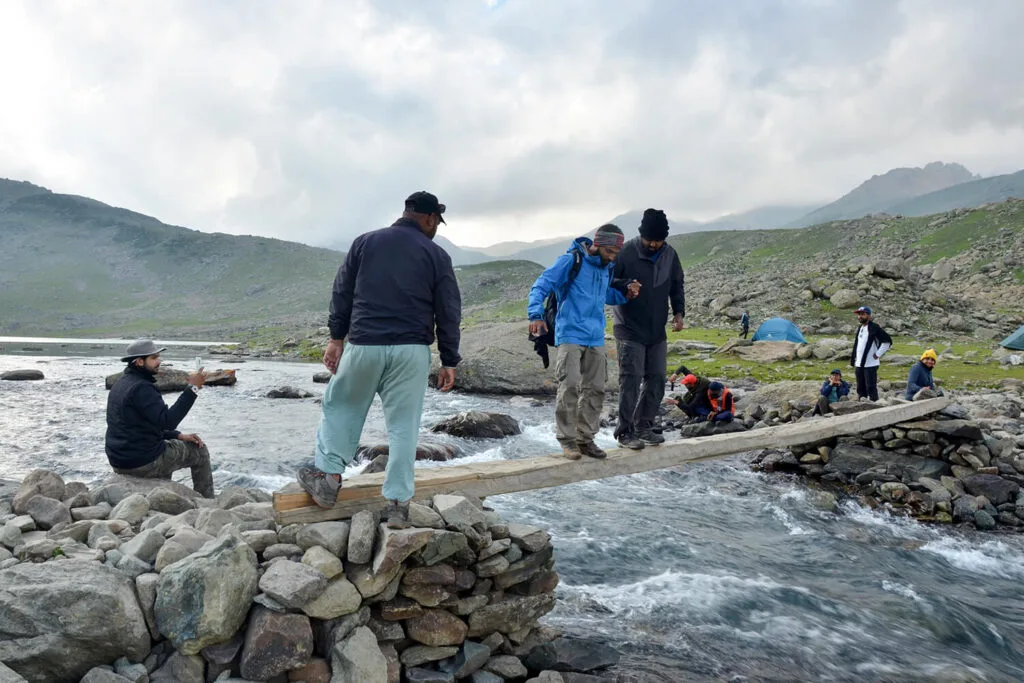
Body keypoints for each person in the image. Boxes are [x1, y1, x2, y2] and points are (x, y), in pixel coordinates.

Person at [298, 191, 461, 529]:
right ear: (430, 219)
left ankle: (328, 483)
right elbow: (448, 310)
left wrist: (335, 339)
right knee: (404, 427)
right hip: (411, 351)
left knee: (341, 407)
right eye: (436, 223)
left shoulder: (364, 243)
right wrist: (449, 359)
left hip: (365, 344)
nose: (435, 228)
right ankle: (399, 505)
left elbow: (342, 292)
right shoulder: (437, 255)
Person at [528, 224, 637, 461]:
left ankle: (585, 439)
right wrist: (535, 315)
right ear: (597, 244)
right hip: (570, 334)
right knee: (569, 386)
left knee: (596, 388)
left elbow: (604, 295)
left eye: (615, 253)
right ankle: (567, 441)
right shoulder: (572, 261)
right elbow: (542, 284)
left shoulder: (606, 267)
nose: (612, 257)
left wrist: (624, 295)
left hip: (595, 336)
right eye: (609, 251)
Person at [610, 208, 685, 450]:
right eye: (649, 239)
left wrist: (679, 313)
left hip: (656, 329)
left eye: (658, 240)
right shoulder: (625, 253)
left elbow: (677, 285)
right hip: (628, 327)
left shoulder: (670, 255)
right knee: (630, 381)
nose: (653, 244)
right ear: (641, 235)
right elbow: (608, 281)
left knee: (657, 379)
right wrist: (625, 285)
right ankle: (625, 432)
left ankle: (644, 425)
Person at [105, 339, 214, 497]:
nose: (159, 361)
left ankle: (160, 494)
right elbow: (168, 422)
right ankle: (207, 500)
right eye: (154, 358)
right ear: (140, 362)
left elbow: (140, 425)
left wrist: (177, 435)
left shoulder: (121, 384)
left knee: (164, 445)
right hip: (142, 463)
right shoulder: (142, 388)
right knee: (200, 450)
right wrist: (193, 388)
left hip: (119, 461)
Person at [850, 306, 891, 402]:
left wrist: (877, 354)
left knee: (871, 387)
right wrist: (854, 358)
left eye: (863, 314)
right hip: (859, 363)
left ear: (869, 316)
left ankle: (874, 405)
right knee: (860, 387)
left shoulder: (874, 327)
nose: (860, 316)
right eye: (859, 314)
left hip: (871, 363)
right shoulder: (860, 328)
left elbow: (887, 341)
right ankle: (862, 404)